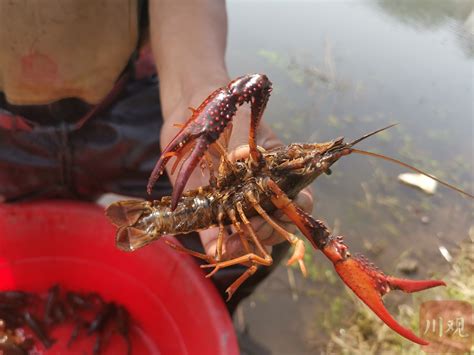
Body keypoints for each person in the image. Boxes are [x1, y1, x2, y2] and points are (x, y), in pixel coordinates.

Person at [0, 0, 313, 311]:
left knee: (258, 242)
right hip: (7, 134)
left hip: (130, 94)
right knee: (28, 239)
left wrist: (200, 90)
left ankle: (205, 311)